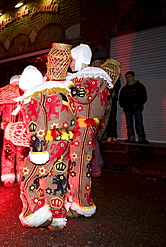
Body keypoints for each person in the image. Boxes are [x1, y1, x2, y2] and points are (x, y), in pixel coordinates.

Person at [15, 43, 76, 231]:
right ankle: (58, 217)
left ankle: (36, 213)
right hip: (64, 142)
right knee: (56, 177)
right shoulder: (63, 90)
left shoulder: (34, 97)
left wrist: (38, 149)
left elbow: (36, 125)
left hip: (47, 144)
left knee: (28, 175)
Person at [65, 44, 113, 218]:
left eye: (72, 60)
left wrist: (63, 85)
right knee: (75, 164)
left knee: (80, 166)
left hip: (84, 129)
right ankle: (73, 198)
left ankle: (81, 203)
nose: (69, 64)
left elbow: (82, 96)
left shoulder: (93, 77)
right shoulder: (83, 77)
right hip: (78, 128)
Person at [0, 75, 29, 187]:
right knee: (8, 151)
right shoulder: (5, 101)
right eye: (13, 85)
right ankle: (7, 176)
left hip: (21, 129)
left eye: (18, 85)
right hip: (8, 129)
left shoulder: (25, 98)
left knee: (22, 152)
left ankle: (22, 176)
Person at [119, 71, 149, 144]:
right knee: (129, 124)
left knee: (139, 123)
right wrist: (124, 106)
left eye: (129, 77)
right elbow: (121, 99)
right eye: (127, 77)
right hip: (128, 109)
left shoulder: (139, 86)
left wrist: (138, 104)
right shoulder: (124, 89)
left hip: (137, 108)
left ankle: (141, 138)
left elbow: (144, 97)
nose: (128, 79)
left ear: (133, 77)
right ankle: (131, 137)